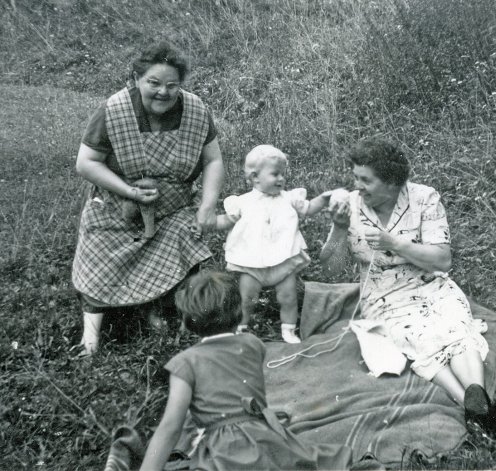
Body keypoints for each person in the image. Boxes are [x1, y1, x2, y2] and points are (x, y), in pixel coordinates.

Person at [320, 137, 496, 438]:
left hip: (430, 283)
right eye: (355, 177)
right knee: (420, 336)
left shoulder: (424, 199)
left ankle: (476, 400)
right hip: (384, 296)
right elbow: (330, 268)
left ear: (391, 183)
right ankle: (477, 407)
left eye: (366, 180)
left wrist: (395, 243)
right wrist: (339, 227)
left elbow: (442, 260)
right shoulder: (350, 206)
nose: (357, 185)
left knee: (455, 325)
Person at [72, 41, 225, 355]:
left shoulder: (195, 109)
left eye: (172, 85)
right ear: (136, 79)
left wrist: (207, 206)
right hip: (118, 208)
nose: (163, 93)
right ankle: (90, 339)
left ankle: (155, 307)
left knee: (188, 242)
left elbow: (213, 161)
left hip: (172, 208)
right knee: (100, 255)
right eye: (153, 83)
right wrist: (129, 191)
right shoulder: (113, 110)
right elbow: (86, 163)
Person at [139, 270, 355, 471]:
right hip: (268, 441)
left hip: (225, 452)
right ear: (238, 312)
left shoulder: (185, 363)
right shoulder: (254, 345)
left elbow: (170, 428)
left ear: (187, 322)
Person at [215, 144, 334, 343]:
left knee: (288, 297)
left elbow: (309, 209)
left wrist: (322, 199)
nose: (281, 179)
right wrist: (208, 222)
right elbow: (226, 220)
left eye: (283, 174)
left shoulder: (289, 199)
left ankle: (288, 330)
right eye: (275, 174)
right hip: (250, 261)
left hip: (283, 259)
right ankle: (241, 329)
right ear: (255, 178)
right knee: (247, 298)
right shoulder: (242, 202)